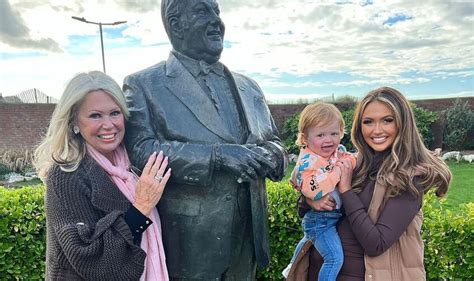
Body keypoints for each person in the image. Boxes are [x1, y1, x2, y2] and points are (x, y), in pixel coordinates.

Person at [123, 0, 288, 280]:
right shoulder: (144, 84)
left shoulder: (250, 87)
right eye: (202, 11)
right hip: (190, 246)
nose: (216, 21)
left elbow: (276, 143)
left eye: (217, 12)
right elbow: (141, 149)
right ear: (176, 24)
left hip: (247, 240)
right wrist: (217, 157)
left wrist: (272, 156)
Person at [286, 87, 452, 281]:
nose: (377, 130)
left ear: (403, 123)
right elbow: (305, 207)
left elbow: (376, 244)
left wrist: (346, 190)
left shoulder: (409, 177)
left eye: (387, 120)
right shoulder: (355, 162)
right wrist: (311, 201)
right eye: (368, 122)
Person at [34, 71, 171, 280]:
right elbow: (94, 263)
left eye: (115, 113)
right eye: (95, 115)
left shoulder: (134, 164)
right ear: (74, 123)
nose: (108, 125)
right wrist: (142, 206)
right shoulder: (65, 175)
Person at [282, 103, 356, 281]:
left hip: (329, 217)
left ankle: (293, 266)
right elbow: (312, 189)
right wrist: (339, 171)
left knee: (309, 239)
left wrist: (348, 162)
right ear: (305, 139)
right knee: (334, 258)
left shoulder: (334, 153)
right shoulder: (308, 162)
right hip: (320, 220)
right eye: (320, 135)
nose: (328, 140)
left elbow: (349, 158)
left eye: (334, 133)